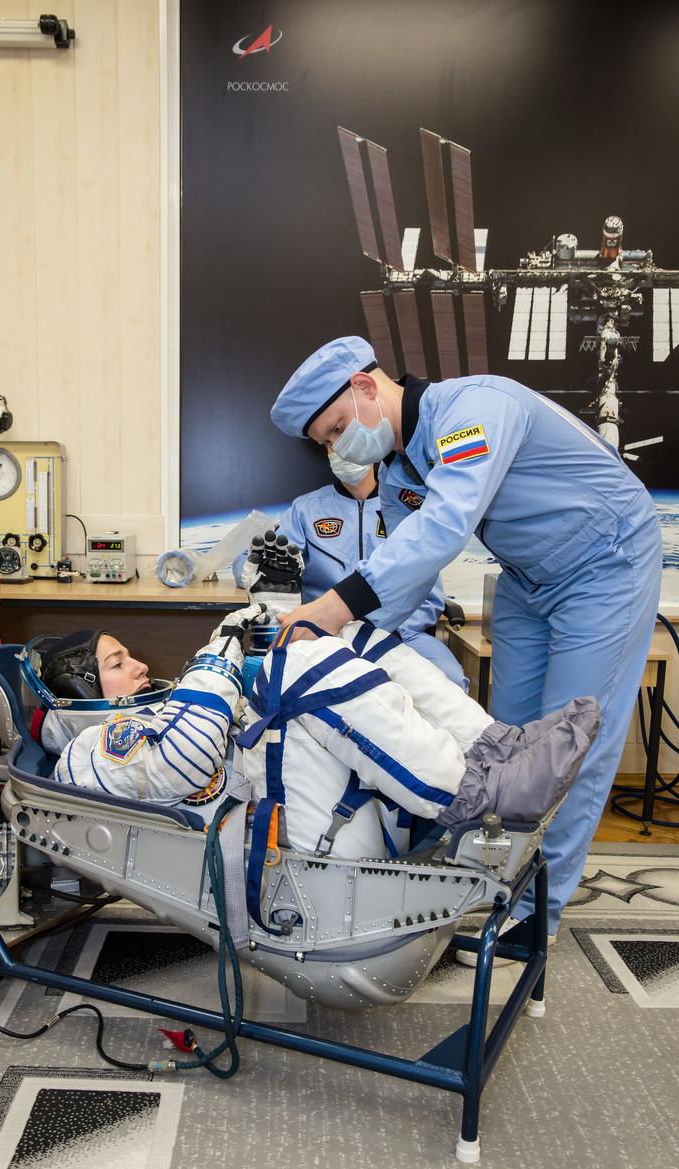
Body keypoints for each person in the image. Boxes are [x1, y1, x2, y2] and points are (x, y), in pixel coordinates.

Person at [267, 335, 662, 942]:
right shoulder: (401, 469)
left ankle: (535, 919)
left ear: (366, 387)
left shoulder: (473, 409)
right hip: (527, 580)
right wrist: (354, 643)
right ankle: (498, 885)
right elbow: (408, 569)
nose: (340, 446)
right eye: (328, 441)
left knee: (574, 742)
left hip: (605, 564)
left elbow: (445, 524)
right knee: (502, 745)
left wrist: (332, 606)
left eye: (339, 427)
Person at [27, 605, 599, 869]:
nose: (138, 666)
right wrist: (217, 658)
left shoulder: (156, 711)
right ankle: (476, 797)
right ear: (80, 686)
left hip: (315, 814)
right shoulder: (89, 749)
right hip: (286, 855)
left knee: (345, 635)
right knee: (298, 666)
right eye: (118, 663)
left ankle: (494, 746)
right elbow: (187, 760)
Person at [235, 452, 467, 687]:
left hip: (401, 633)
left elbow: (429, 595)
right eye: (330, 444)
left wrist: (387, 629)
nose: (340, 451)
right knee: (284, 682)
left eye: (346, 439)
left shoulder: (408, 507)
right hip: (324, 633)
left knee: (451, 680)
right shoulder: (305, 509)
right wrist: (254, 566)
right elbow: (259, 564)